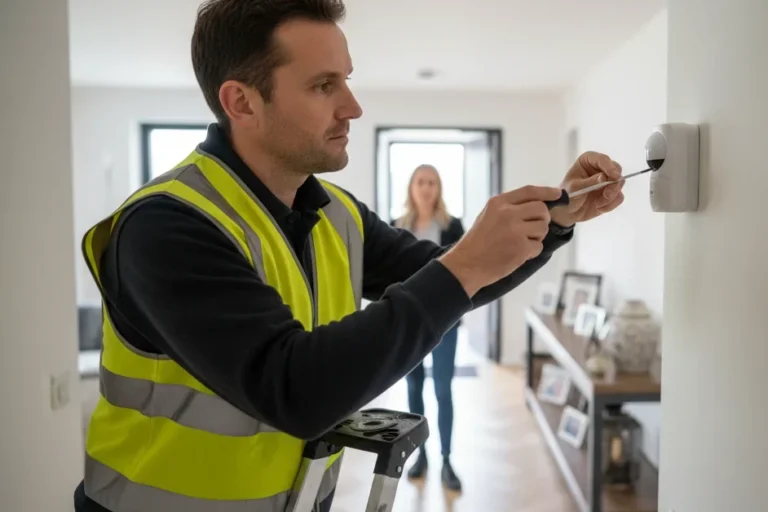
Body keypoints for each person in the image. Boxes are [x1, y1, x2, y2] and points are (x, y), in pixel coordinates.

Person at [73, 0, 625, 511]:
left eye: (347, 81)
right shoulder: (165, 227)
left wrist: (555, 221)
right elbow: (296, 390)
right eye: (323, 85)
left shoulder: (337, 213)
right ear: (241, 101)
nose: (353, 107)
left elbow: (456, 281)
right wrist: (463, 265)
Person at [391, 164, 466, 490]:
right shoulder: (396, 227)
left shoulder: (454, 227)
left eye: (432, 182)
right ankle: (420, 456)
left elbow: (466, 271)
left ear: (439, 189)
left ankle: (447, 460)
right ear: (411, 187)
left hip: (446, 321)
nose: (426, 188)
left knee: (442, 390)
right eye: (421, 182)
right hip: (411, 323)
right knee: (414, 388)